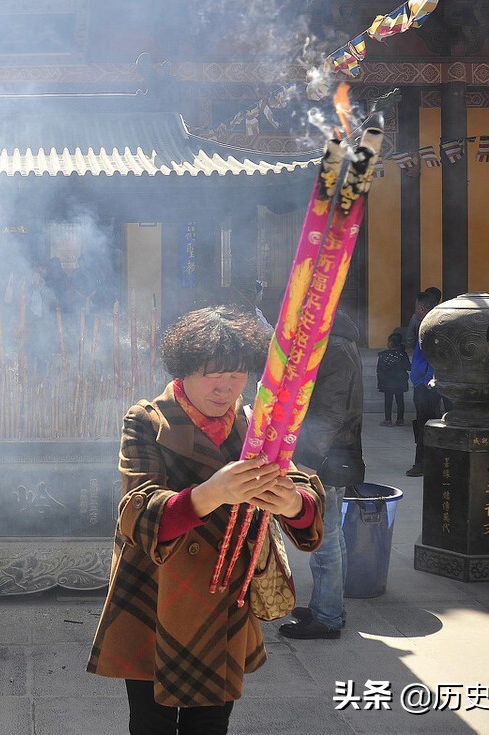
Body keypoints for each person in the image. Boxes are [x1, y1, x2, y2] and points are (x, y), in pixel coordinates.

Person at [87, 306, 324, 734]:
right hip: (155, 594)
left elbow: (304, 495)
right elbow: (135, 511)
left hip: (224, 597)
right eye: (212, 374)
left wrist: (292, 503)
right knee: (150, 721)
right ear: (184, 372)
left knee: (212, 721)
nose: (226, 387)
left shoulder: (256, 425)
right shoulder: (147, 420)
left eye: (237, 375)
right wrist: (212, 493)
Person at [278, 311, 365, 640]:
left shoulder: (334, 349)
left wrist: (310, 461)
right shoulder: (339, 343)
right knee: (333, 536)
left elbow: (330, 410)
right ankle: (329, 606)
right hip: (336, 453)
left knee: (324, 539)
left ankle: (327, 617)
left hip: (327, 456)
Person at [407, 287, 444, 477]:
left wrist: (427, 381)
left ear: (422, 308)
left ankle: (423, 464)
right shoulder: (427, 326)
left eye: (416, 307)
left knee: (426, 425)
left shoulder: (431, 329)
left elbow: (433, 359)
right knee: (424, 424)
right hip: (422, 383)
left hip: (426, 385)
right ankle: (425, 462)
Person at [376, 332, 411, 427]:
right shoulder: (403, 355)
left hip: (387, 383)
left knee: (388, 401)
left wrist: (380, 383)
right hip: (400, 382)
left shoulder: (383, 355)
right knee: (400, 401)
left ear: (390, 343)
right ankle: (400, 420)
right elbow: (408, 367)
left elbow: (379, 370)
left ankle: (388, 420)